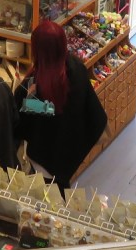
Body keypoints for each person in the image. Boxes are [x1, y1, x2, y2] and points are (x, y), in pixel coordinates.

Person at [15, 20, 108, 191]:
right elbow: (77, 110)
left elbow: (23, 119)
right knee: (59, 191)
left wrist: (27, 101)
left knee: (45, 196)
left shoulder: (36, 84)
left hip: (44, 153)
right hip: (70, 145)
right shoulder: (77, 68)